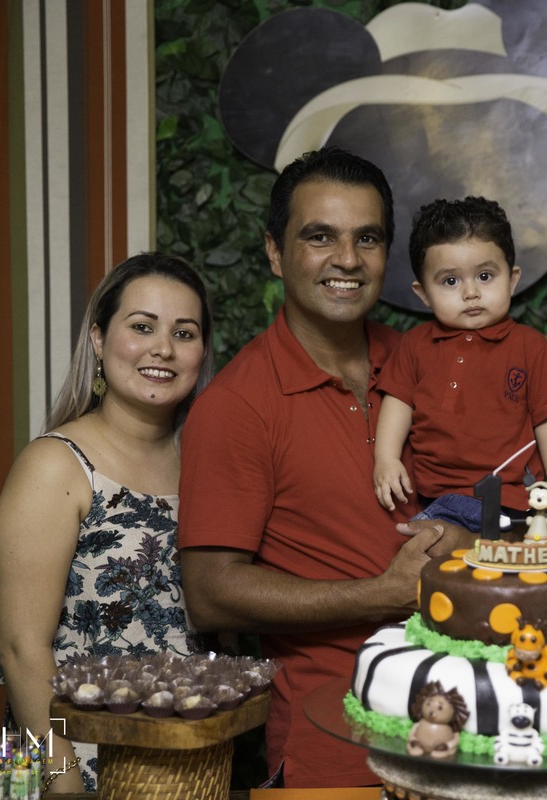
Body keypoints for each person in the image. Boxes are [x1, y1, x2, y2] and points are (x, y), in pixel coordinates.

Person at [177, 147, 471, 788]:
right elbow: (209, 592)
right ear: (275, 253)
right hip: (335, 752)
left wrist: (467, 538)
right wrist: (381, 594)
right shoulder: (237, 404)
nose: (347, 259)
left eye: (367, 238)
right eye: (320, 237)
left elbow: (484, 484)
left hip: (465, 735)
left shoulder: (426, 362)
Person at [0, 253, 214, 792]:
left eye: (184, 333)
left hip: (193, 768)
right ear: (98, 338)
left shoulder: (210, 465)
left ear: (202, 352)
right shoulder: (56, 465)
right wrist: (63, 778)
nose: (163, 349)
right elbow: (21, 648)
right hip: (86, 765)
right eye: (142, 327)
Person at [373, 196, 547, 527]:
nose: (471, 293)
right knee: (424, 543)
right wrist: (386, 458)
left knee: (427, 542)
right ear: (423, 294)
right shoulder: (414, 346)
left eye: (485, 276)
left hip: (507, 497)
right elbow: (398, 403)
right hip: (436, 496)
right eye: (450, 281)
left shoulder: (530, 347)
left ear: (511, 280)